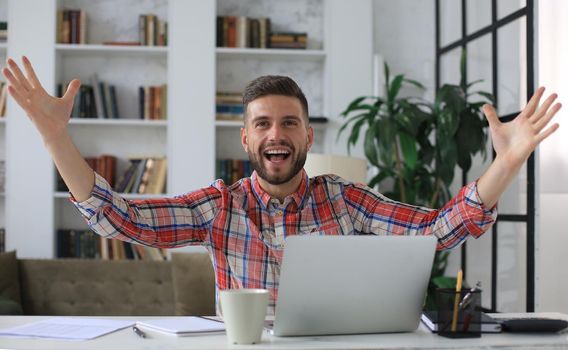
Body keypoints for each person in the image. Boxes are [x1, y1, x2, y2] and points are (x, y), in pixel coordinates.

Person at [1, 57, 561, 315]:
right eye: (263, 124)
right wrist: (55, 138)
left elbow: (438, 231)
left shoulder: (343, 198)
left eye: (289, 122)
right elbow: (118, 216)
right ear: (246, 139)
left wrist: (507, 161)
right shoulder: (218, 207)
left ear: (307, 135)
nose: (277, 134)